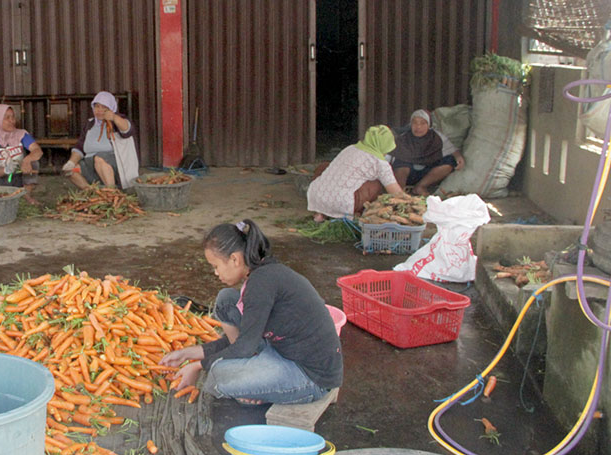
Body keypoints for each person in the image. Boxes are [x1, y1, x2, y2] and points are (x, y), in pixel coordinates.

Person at [159, 219, 342, 405]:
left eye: (215, 266)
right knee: (226, 300)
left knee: (218, 377)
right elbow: (245, 339)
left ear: (235, 259)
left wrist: (198, 366)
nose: (215, 273)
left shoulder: (260, 284)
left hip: (311, 377)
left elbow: (245, 346)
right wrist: (189, 354)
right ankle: (257, 378)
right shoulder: (261, 275)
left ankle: (264, 386)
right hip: (282, 351)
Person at [306, 125, 410, 222]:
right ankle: (356, 213)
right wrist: (412, 202)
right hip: (340, 203)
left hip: (315, 196)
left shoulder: (350, 148)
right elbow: (396, 193)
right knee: (375, 185)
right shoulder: (380, 163)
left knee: (325, 167)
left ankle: (320, 213)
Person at [62, 91, 139, 190]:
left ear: (111, 109)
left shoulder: (117, 121)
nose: (99, 110)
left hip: (113, 165)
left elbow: (127, 130)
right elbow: (80, 147)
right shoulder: (90, 124)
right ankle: (92, 192)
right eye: (97, 107)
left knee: (99, 159)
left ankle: (111, 191)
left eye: (104, 107)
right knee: (71, 171)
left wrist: (114, 117)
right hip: (90, 165)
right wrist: (71, 162)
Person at [391, 109, 465, 196]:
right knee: (400, 162)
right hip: (409, 175)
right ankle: (399, 192)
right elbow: (390, 155)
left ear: (429, 125)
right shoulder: (404, 138)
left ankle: (420, 187)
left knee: (449, 161)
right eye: (415, 123)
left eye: (422, 123)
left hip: (428, 174)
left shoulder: (436, 137)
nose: (418, 127)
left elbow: (452, 150)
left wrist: (458, 157)